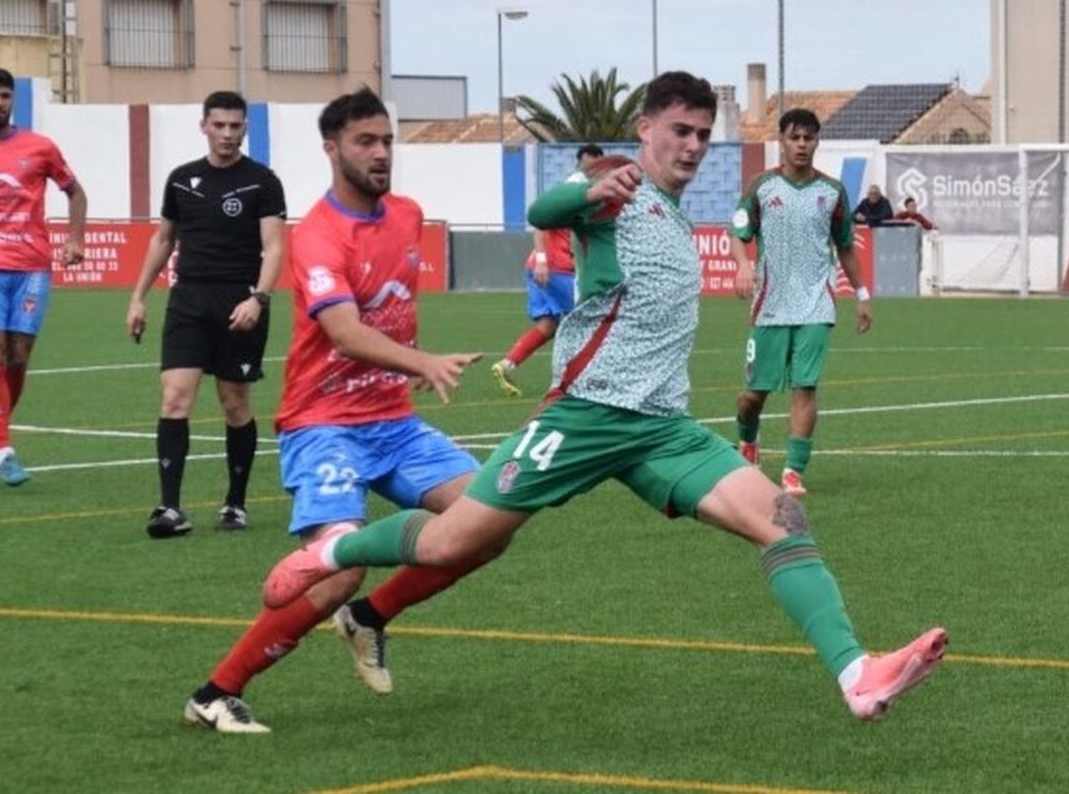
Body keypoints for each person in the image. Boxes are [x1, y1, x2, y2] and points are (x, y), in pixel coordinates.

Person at [260, 72, 945, 727]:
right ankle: (331, 556)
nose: (693, 145)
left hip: (662, 430)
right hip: (585, 414)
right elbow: (543, 211)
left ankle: (856, 675)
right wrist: (591, 192)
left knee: (783, 519)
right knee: (447, 543)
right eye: (680, 129)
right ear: (646, 129)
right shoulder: (613, 188)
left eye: (704, 134)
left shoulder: (676, 214)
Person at [183, 88, 505, 734]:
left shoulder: (408, 215)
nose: (382, 153)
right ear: (331, 149)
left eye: (387, 140)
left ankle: (370, 618)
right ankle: (215, 693)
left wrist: (409, 373)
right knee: (337, 571)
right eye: (366, 141)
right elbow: (344, 332)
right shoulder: (319, 236)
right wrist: (424, 363)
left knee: (488, 522)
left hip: (395, 424)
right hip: (322, 424)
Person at [127, 91, 287, 537]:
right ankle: (169, 508)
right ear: (204, 126)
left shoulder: (262, 181)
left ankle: (235, 503)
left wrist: (258, 298)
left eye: (235, 126)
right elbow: (163, 240)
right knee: (175, 396)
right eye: (219, 125)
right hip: (188, 300)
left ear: (244, 129)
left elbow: (274, 247)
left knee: (234, 401)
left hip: (239, 300)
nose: (227, 134)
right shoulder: (182, 179)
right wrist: (138, 297)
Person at [730, 107, 872, 498]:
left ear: (817, 142)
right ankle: (748, 443)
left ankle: (793, 471)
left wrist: (861, 295)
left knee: (805, 388)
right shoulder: (762, 187)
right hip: (769, 306)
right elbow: (739, 232)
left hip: (816, 305)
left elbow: (845, 247)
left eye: (809, 138)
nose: (802, 145)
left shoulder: (832, 192)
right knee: (751, 396)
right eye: (795, 138)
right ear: (782, 141)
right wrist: (743, 265)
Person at [0, 66, 87, 486]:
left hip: (32, 265)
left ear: (14, 100)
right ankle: (5, 449)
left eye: (5, 96)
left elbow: (75, 191)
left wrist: (75, 239)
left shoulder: (40, 147)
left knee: (17, 356)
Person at [490, 143, 601, 396]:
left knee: (547, 327)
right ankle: (573, 381)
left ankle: (507, 364)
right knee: (586, 320)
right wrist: (542, 259)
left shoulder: (578, 196)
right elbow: (539, 224)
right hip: (554, 268)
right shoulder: (570, 195)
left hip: (540, 268)